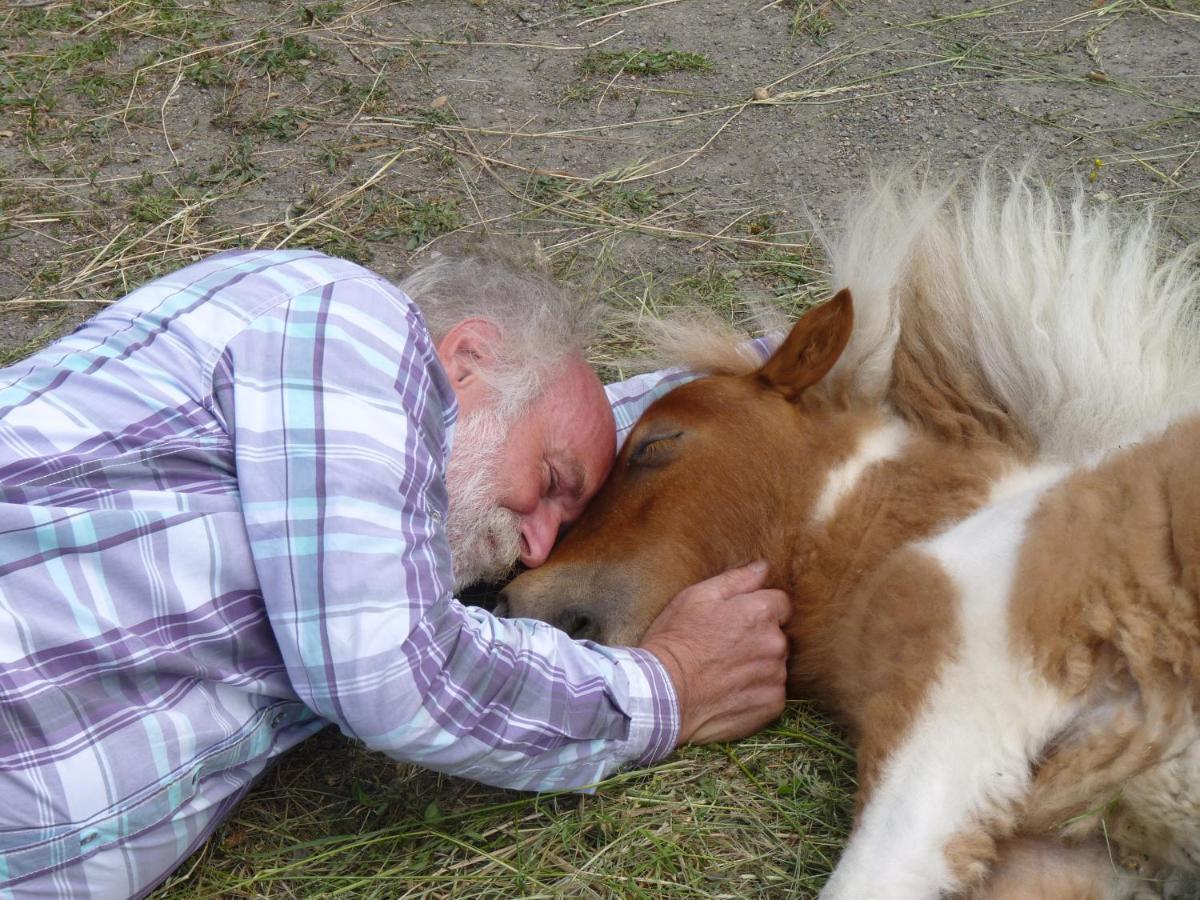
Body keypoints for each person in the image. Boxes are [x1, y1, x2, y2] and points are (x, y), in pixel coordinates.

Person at [0, 244, 789, 898]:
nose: (539, 548)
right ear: (470, 356)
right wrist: (667, 688)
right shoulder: (346, 322)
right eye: (550, 488)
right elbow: (396, 672)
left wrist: (794, 371)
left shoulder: (352, 481)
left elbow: (597, 426)